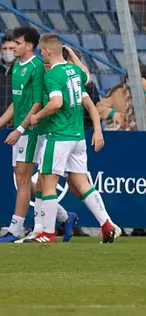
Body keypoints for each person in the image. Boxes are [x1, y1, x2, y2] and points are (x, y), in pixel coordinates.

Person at [25, 33, 120, 243]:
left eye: (42, 50)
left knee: (47, 183)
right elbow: (89, 78)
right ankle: (106, 224)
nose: (41, 54)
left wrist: (37, 116)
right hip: (78, 136)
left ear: (48, 51)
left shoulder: (52, 75)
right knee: (82, 183)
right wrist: (74, 56)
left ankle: (47, 233)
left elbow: (56, 102)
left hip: (59, 135)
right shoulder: (74, 71)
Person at [0, 26, 77, 243]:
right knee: (27, 180)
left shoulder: (37, 67)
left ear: (28, 46)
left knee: (23, 178)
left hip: (34, 130)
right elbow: (17, 102)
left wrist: (20, 129)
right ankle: (65, 217)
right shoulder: (17, 67)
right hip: (23, 129)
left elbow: (37, 103)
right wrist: (0, 123)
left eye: (16, 44)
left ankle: (16, 229)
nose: (12, 48)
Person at [0, 35, 16, 117]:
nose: (8, 52)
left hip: (19, 124)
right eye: (5, 49)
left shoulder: (25, 72)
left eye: (11, 48)